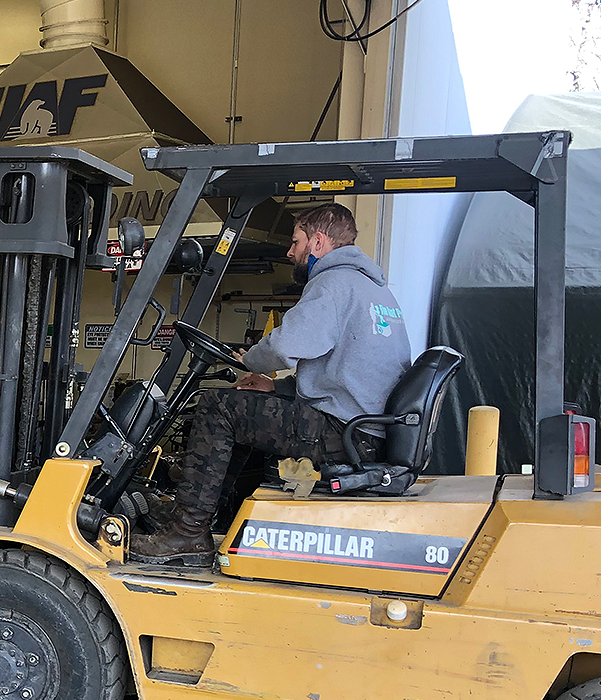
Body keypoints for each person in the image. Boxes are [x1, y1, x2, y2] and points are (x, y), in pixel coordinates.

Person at [130, 202, 413, 566]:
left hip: (346, 433)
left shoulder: (334, 283)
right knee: (248, 409)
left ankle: (187, 532)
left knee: (218, 409)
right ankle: (206, 515)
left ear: (318, 241)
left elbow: (284, 345)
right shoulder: (374, 291)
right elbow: (344, 375)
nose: (290, 251)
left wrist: (249, 360)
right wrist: (275, 388)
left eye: (296, 242)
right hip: (364, 428)